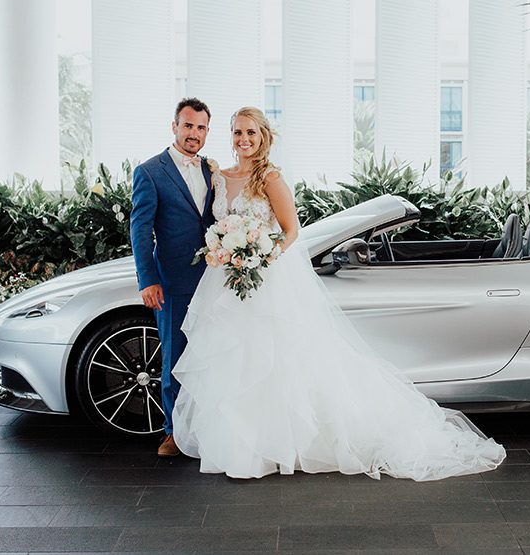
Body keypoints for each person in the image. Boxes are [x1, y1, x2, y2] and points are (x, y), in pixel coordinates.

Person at [171, 107, 506, 480]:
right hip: (227, 283)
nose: (243, 139)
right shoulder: (220, 176)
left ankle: (281, 445)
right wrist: (225, 250)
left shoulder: (270, 177)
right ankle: (242, 447)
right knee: (235, 363)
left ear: (263, 136)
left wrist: (261, 256)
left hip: (263, 279)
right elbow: (217, 222)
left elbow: (290, 230)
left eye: (251, 132)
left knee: (274, 362)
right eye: (237, 132)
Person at [129, 98, 216, 458]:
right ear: (174, 126)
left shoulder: (212, 171)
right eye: (188, 126)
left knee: (214, 355)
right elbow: (140, 227)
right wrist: (147, 280)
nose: (194, 133)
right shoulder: (150, 171)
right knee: (175, 358)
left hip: (215, 278)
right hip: (172, 281)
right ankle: (173, 433)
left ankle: (210, 427)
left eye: (200, 128)